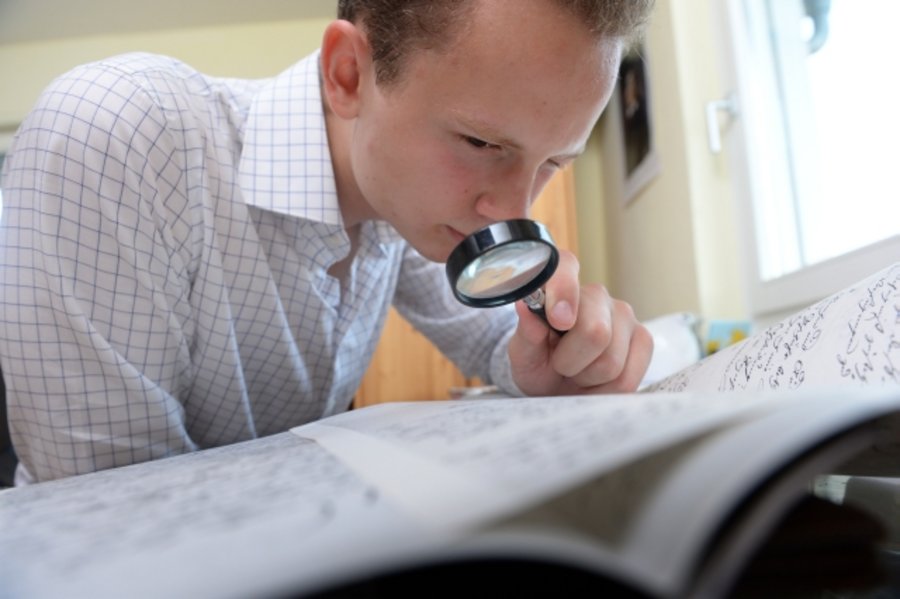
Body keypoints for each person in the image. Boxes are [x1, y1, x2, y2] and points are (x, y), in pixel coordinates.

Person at [0, 0, 656, 484]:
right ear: (348, 75)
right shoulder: (119, 134)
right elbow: (112, 512)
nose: (512, 210)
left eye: (554, 162)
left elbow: (497, 340)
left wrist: (554, 363)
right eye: (482, 143)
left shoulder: (405, 206)